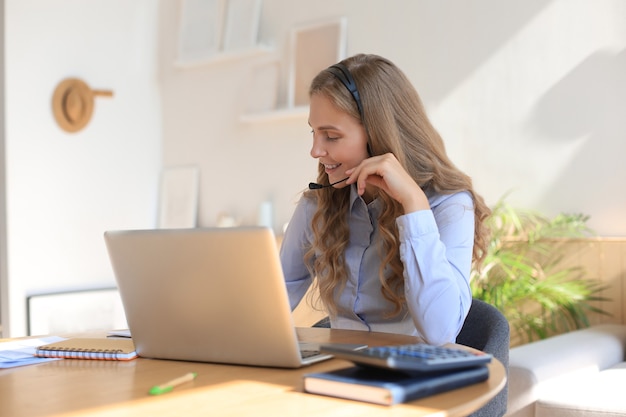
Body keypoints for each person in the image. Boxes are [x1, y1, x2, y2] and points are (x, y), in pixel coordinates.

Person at [279, 53, 491, 346]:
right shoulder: (319, 204)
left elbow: (440, 331)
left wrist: (414, 207)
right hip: (338, 368)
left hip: (414, 377)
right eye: (314, 133)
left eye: (331, 136)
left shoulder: (450, 204)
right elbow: (274, 298)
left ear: (377, 134)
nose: (315, 150)